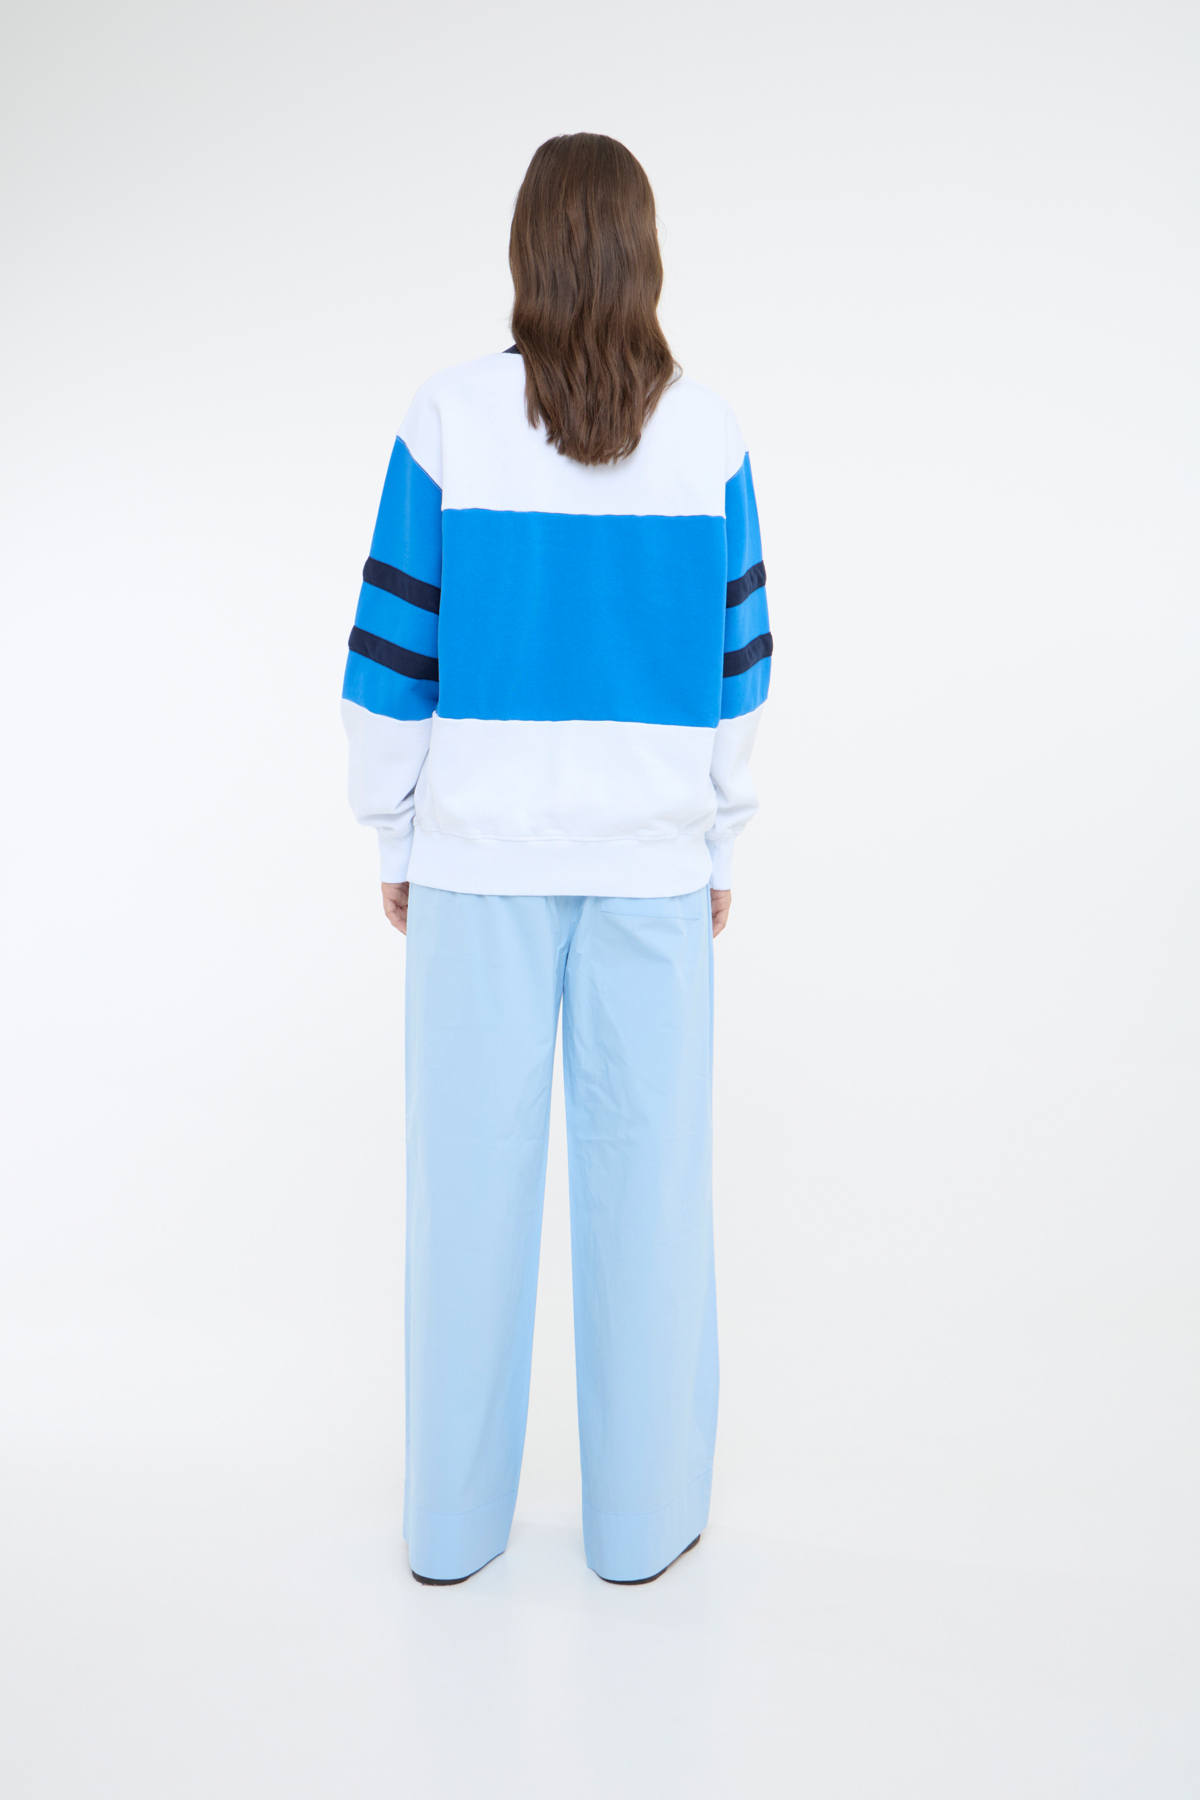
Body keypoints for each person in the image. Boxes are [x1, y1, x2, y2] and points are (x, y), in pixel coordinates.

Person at [341, 133, 771, 1587]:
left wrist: (395, 823)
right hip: (654, 874)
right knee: (653, 1198)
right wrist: (719, 831)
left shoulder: (448, 420)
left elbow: (390, 649)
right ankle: (643, 1527)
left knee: (465, 1196)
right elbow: (742, 667)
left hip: (477, 871)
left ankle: (452, 1532)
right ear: (645, 254)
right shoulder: (709, 436)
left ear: (528, 249)